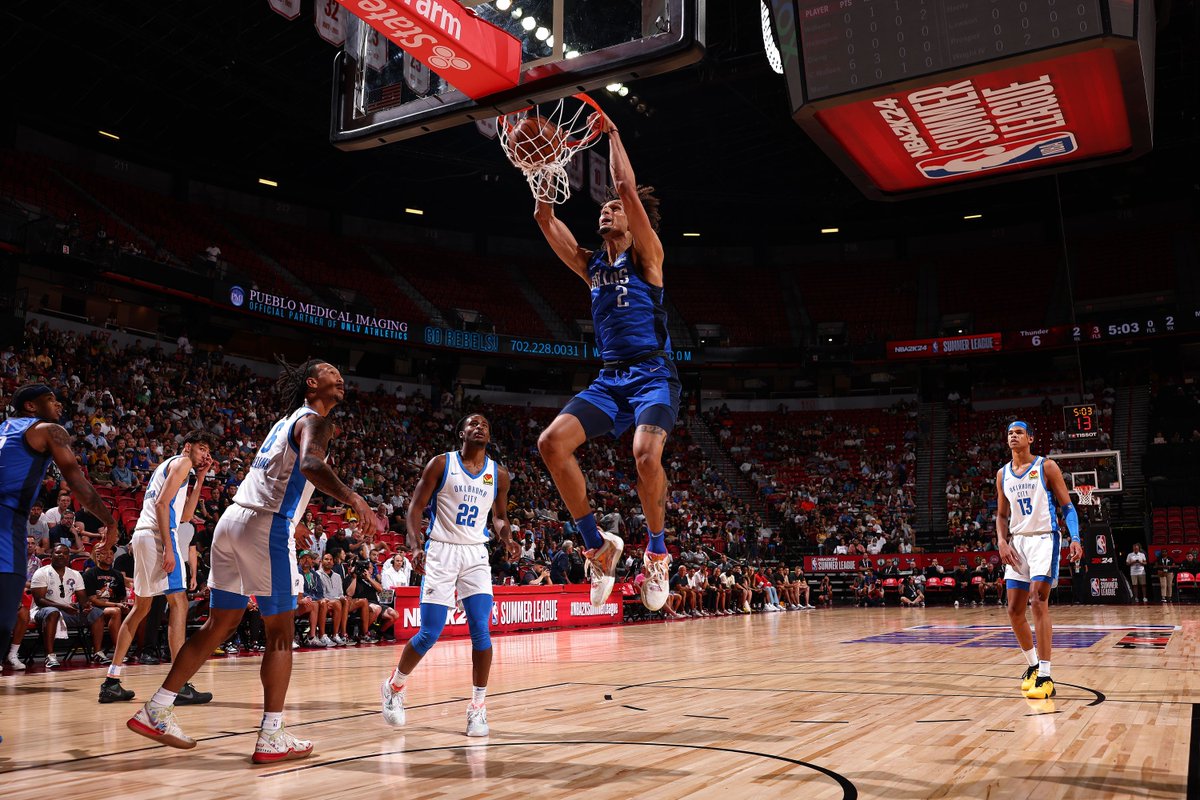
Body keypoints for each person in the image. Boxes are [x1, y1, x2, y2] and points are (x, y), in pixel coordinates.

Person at [127, 359, 373, 764]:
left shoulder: (285, 421)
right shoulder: (316, 421)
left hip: (233, 522)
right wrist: (354, 498)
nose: (340, 376)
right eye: (330, 371)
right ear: (311, 383)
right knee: (280, 633)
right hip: (264, 526)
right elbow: (311, 465)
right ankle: (272, 735)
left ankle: (157, 708)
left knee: (221, 621)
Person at [533, 110, 680, 615]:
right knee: (550, 444)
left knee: (644, 455)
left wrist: (612, 133)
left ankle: (657, 554)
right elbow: (545, 220)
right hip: (610, 379)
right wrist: (543, 169)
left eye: (614, 209)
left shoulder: (648, 257)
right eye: (604, 210)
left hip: (653, 373)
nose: (607, 211)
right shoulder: (589, 265)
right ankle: (599, 546)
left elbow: (624, 184)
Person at [381, 413, 517, 738]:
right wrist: (415, 547)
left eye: (485, 423)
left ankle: (477, 708)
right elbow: (415, 508)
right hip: (441, 550)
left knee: (481, 631)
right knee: (430, 633)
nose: (480, 426)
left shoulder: (498, 473)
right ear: (461, 433)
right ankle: (394, 686)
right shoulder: (441, 465)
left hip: (475, 553)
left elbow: (499, 516)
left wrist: (507, 536)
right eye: (473, 423)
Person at [1, 385, 116, 671]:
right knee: (4, 615)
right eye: (51, 399)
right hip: (6, 520)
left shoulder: (5, 427)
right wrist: (110, 522)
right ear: (30, 406)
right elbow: (76, 481)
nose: (59, 405)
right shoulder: (48, 429)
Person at [99, 431, 216, 704]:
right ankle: (178, 685)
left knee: (142, 607)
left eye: (207, 451)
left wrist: (200, 478)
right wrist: (167, 546)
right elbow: (162, 504)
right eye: (201, 449)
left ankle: (111, 681)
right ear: (188, 447)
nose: (204, 455)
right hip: (157, 536)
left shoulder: (176, 467)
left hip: (144, 535)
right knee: (179, 603)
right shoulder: (183, 462)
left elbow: (186, 515)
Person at [996, 421, 1084, 701]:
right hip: (1017, 542)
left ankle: (1046, 675)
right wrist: (1001, 541)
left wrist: (1076, 538)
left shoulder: (1046, 467)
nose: (1013, 436)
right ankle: (1033, 666)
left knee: (1037, 600)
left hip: (1045, 538)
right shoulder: (1002, 475)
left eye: (1019, 432)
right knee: (1013, 609)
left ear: (1030, 438)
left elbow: (1068, 506)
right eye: (1010, 432)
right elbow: (1000, 515)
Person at [31, 544, 120, 667]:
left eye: (65, 553)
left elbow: (82, 598)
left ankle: (97, 653)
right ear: (51, 555)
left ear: (68, 557)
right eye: (58, 553)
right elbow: (39, 600)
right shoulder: (41, 572)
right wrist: (64, 607)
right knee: (53, 612)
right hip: (42, 611)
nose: (61, 555)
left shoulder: (75, 574)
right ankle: (50, 656)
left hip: (67, 610)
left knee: (97, 613)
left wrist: (86, 606)